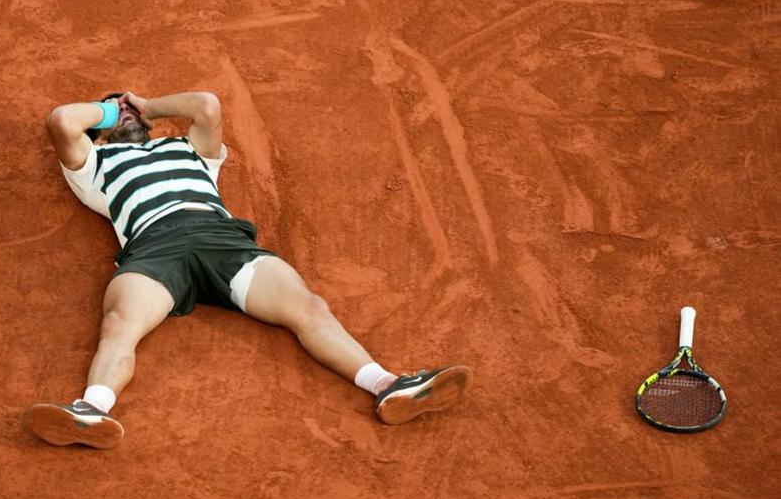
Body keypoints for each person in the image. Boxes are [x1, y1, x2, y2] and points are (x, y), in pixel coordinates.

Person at [24, 90, 473, 449]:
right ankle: (91, 410)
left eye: (128, 109)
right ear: (101, 129)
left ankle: (388, 385)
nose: (123, 112)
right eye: (111, 111)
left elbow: (206, 105)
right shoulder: (95, 165)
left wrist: (147, 105)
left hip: (223, 241)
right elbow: (63, 120)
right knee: (120, 322)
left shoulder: (190, 149)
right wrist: (111, 111)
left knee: (308, 307)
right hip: (154, 248)